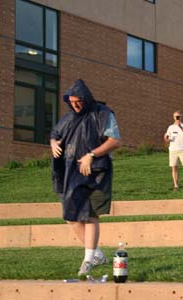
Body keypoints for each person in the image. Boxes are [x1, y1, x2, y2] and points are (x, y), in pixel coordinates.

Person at [50, 79, 121, 276]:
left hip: (96, 172)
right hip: (71, 173)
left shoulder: (102, 113)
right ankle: (97, 254)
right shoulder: (68, 118)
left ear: (86, 98)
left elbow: (114, 141)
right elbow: (55, 134)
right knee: (70, 216)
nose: (75, 105)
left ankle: (88, 259)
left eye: (78, 101)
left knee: (90, 215)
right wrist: (53, 143)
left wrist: (91, 155)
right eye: (71, 102)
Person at [164, 110, 183, 190]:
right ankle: (176, 185)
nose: (177, 118)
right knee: (174, 167)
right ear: (173, 117)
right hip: (173, 150)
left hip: (182, 149)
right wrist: (166, 138)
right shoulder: (170, 127)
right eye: (176, 116)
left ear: (181, 117)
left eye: (178, 116)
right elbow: (167, 138)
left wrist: (179, 126)